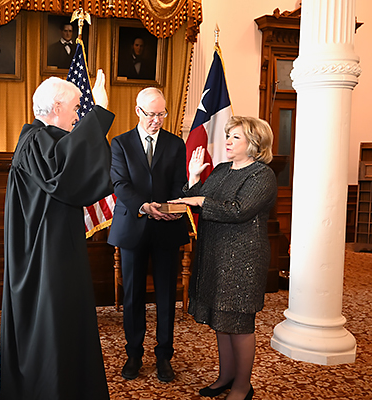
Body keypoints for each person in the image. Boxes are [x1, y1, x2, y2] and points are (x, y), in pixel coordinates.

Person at [0, 70, 114, 400]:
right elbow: (66, 174)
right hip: (43, 259)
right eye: (76, 108)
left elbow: (71, 170)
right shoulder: (36, 140)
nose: (78, 116)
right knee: (51, 327)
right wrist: (99, 114)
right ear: (57, 106)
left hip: (54, 250)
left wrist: (95, 118)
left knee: (63, 325)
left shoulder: (42, 141)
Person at [170, 116, 277, 400]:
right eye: (228, 136)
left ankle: (242, 386)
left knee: (238, 324)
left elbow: (237, 210)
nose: (227, 141)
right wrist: (194, 179)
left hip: (243, 260)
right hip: (215, 256)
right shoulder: (220, 170)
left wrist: (201, 200)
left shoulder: (262, 175)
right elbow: (198, 204)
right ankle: (226, 376)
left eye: (235, 137)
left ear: (254, 143)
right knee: (221, 320)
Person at [107, 87, 189, 382]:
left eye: (162, 114)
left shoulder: (175, 144)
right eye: (151, 114)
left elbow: (179, 183)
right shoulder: (120, 143)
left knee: (167, 296)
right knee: (133, 295)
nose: (157, 120)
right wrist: (144, 206)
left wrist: (173, 206)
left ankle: (164, 355)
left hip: (167, 226)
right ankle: (134, 354)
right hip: (133, 226)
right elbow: (120, 183)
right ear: (138, 111)